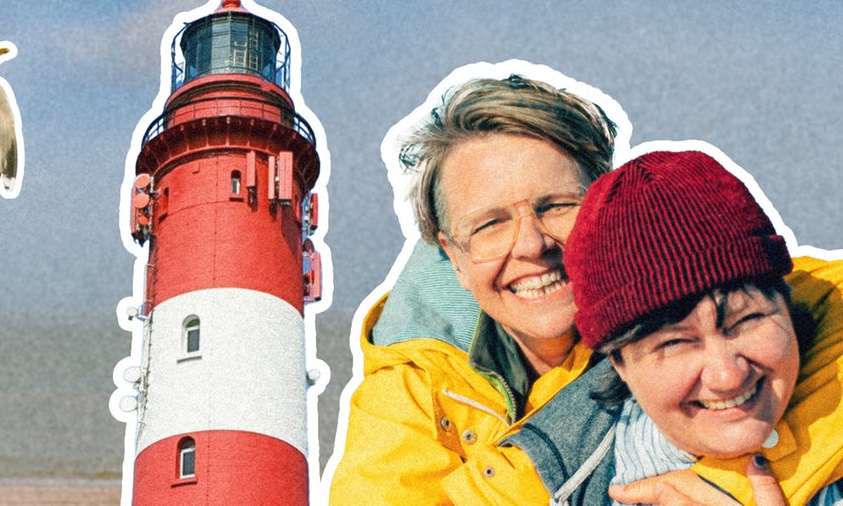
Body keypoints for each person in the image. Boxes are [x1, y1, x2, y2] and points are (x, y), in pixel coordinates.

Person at [326, 67, 841, 504]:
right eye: (489, 225)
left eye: (555, 206)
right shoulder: (410, 383)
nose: (530, 245)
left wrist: (725, 483)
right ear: (453, 257)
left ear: (604, 209)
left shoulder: (708, 280)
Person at [504, 149, 843, 505]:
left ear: (787, 305)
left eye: (747, 321)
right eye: (675, 344)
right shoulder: (567, 483)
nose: (727, 376)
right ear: (618, 363)